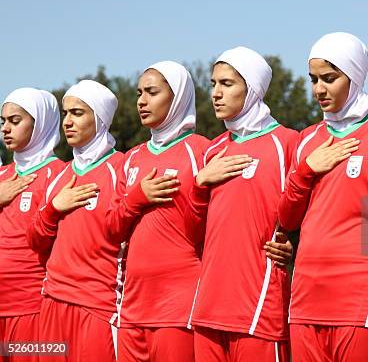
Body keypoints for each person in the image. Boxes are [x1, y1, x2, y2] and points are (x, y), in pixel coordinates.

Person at [278, 32, 368, 361]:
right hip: (305, 303)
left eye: (329, 78)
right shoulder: (307, 140)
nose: (318, 90)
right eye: (313, 79)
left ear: (353, 76)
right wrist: (306, 170)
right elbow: (287, 217)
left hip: (362, 304)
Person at [189, 46, 297, 361]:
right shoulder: (212, 151)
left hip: (259, 309)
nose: (216, 93)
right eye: (213, 84)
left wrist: (294, 244)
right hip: (208, 307)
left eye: (227, 84)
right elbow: (191, 230)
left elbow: (309, 211)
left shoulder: (287, 143)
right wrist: (199, 184)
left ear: (251, 89)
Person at [110, 61, 210, 362]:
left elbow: (210, 229)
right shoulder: (132, 159)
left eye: (152, 92)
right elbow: (112, 229)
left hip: (178, 306)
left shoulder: (202, 151)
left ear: (177, 96)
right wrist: (138, 197)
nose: (141, 101)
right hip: (132, 305)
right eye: (139, 92)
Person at [29, 80, 127, 361]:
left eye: (78, 113)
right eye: (65, 113)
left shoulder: (120, 169)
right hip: (53, 302)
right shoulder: (59, 176)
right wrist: (54, 208)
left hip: (96, 306)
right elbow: (35, 240)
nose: (68, 122)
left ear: (99, 118)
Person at [0, 88, 64, 361]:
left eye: (15, 121)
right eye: (2, 121)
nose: (6, 128)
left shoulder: (59, 173)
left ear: (39, 124)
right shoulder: (2, 174)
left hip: (32, 307)